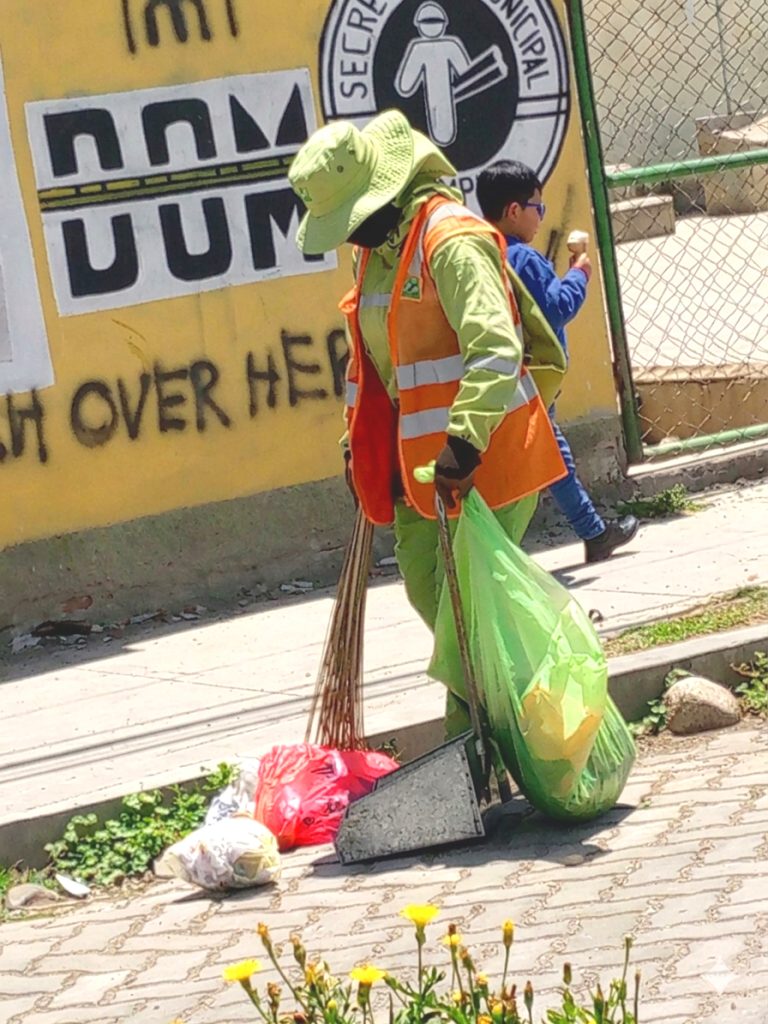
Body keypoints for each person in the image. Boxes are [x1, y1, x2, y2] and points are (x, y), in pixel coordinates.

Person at [288, 110, 568, 736]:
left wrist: (464, 443)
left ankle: (488, 748)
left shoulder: (451, 240)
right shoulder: (374, 254)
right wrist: (356, 446)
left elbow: (494, 348)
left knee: (467, 621)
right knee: (430, 595)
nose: (350, 233)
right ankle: (526, 725)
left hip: (485, 457)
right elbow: (371, 364)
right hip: (420, 472)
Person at [477, 160, 639, 564]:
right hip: (531, 375)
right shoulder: (524, 259)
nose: (541, 217)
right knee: (550, 455)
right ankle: (590, 533)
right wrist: (579, 273)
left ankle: (593, 532)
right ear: (514, 210)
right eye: (538, 208)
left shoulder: (480, 253)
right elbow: (557, 308)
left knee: (546, 453)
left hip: (498, 372)